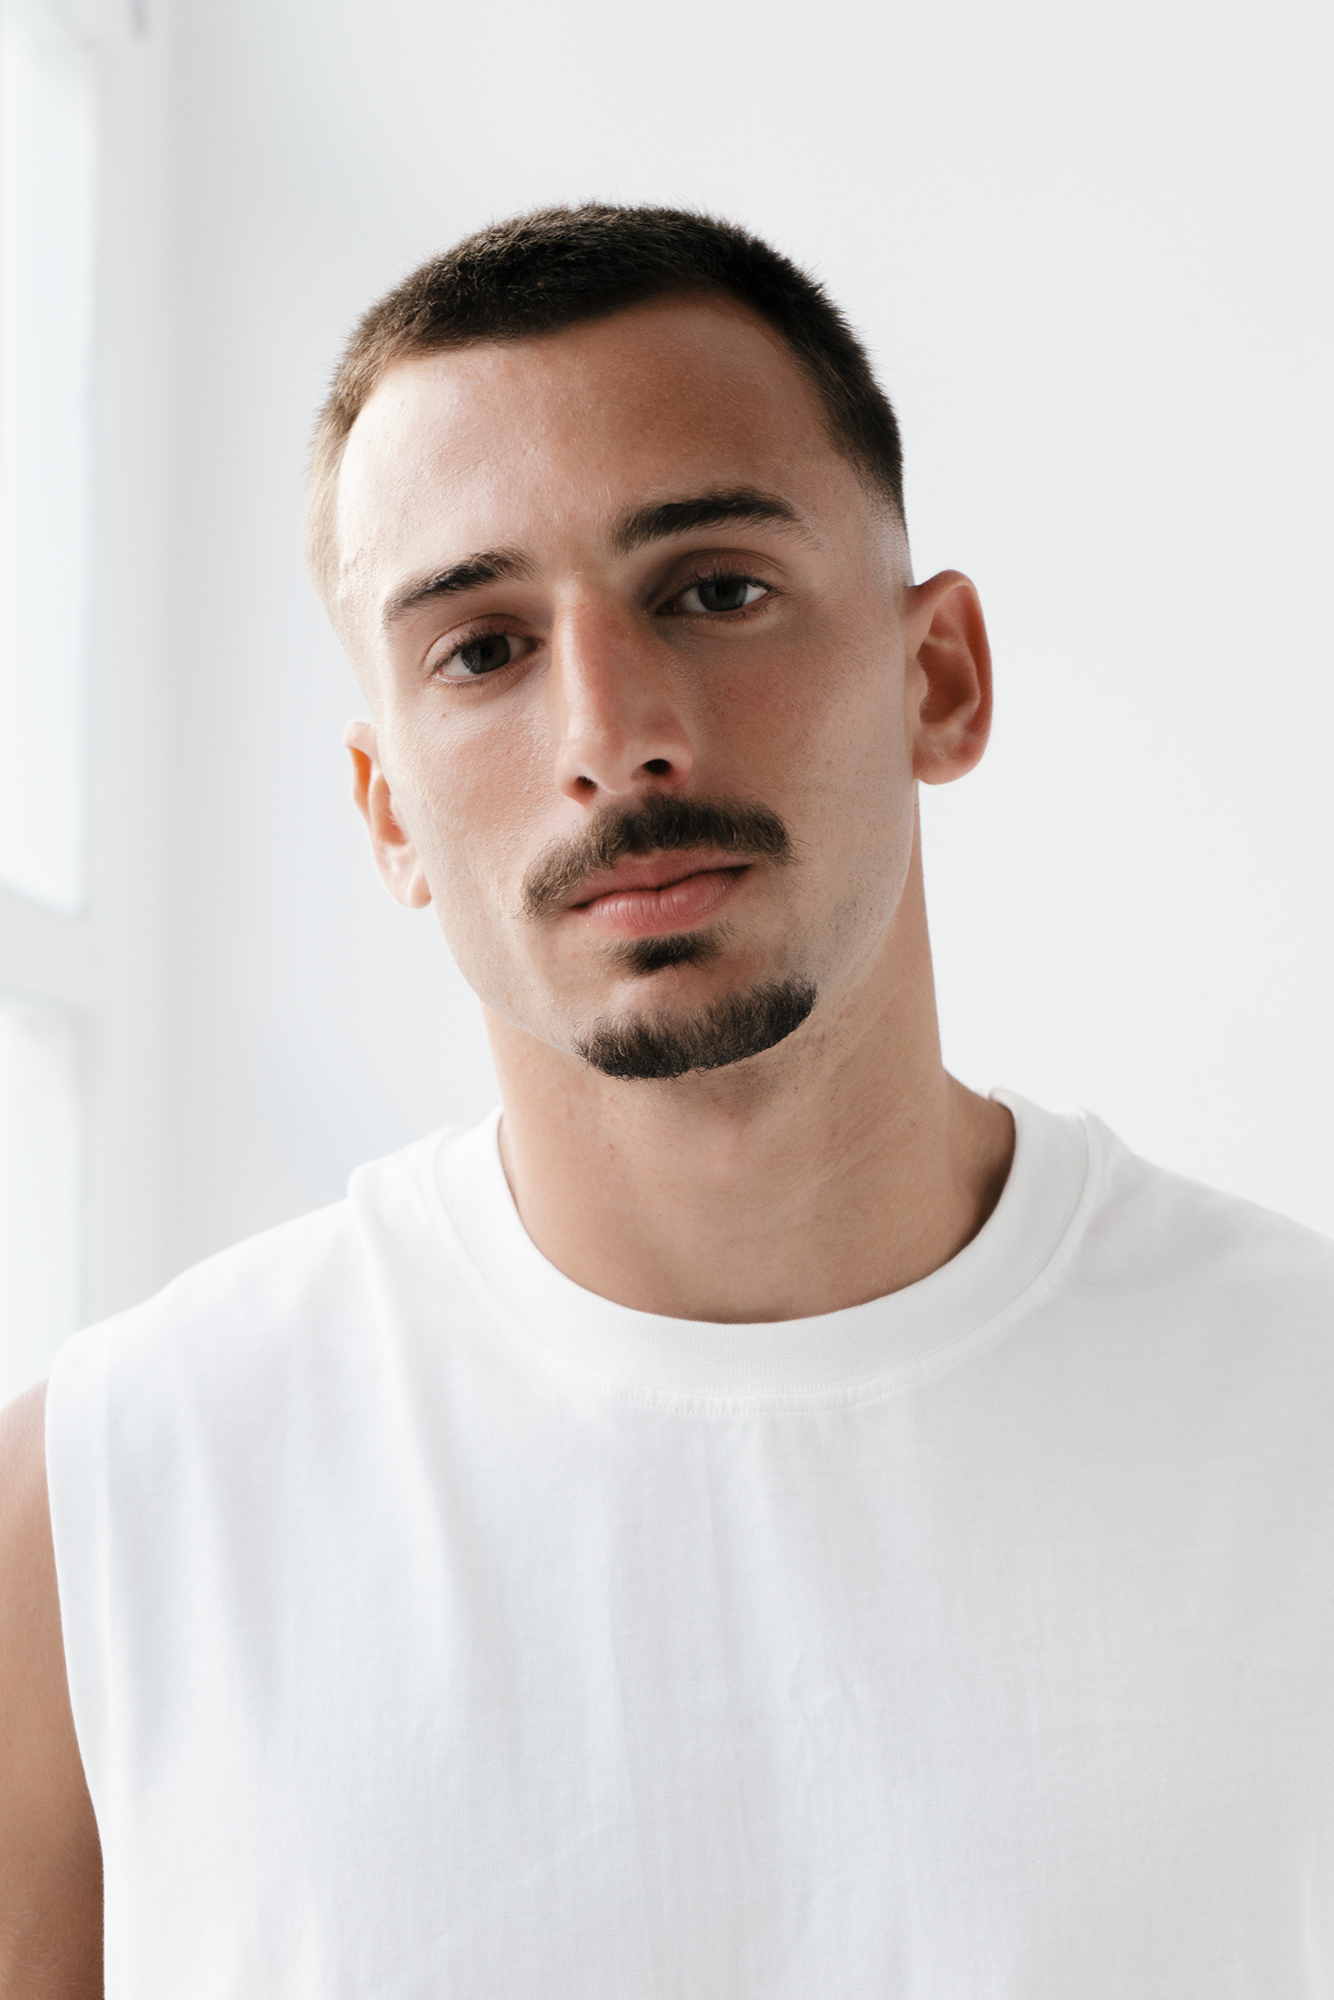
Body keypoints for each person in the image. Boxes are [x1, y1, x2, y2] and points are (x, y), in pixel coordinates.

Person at [1, 204, 1331, 1998]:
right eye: (479, 647)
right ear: (386, 811)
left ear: (937, 674)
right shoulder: (98, 1504)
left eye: (711, 590)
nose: (612, 734)